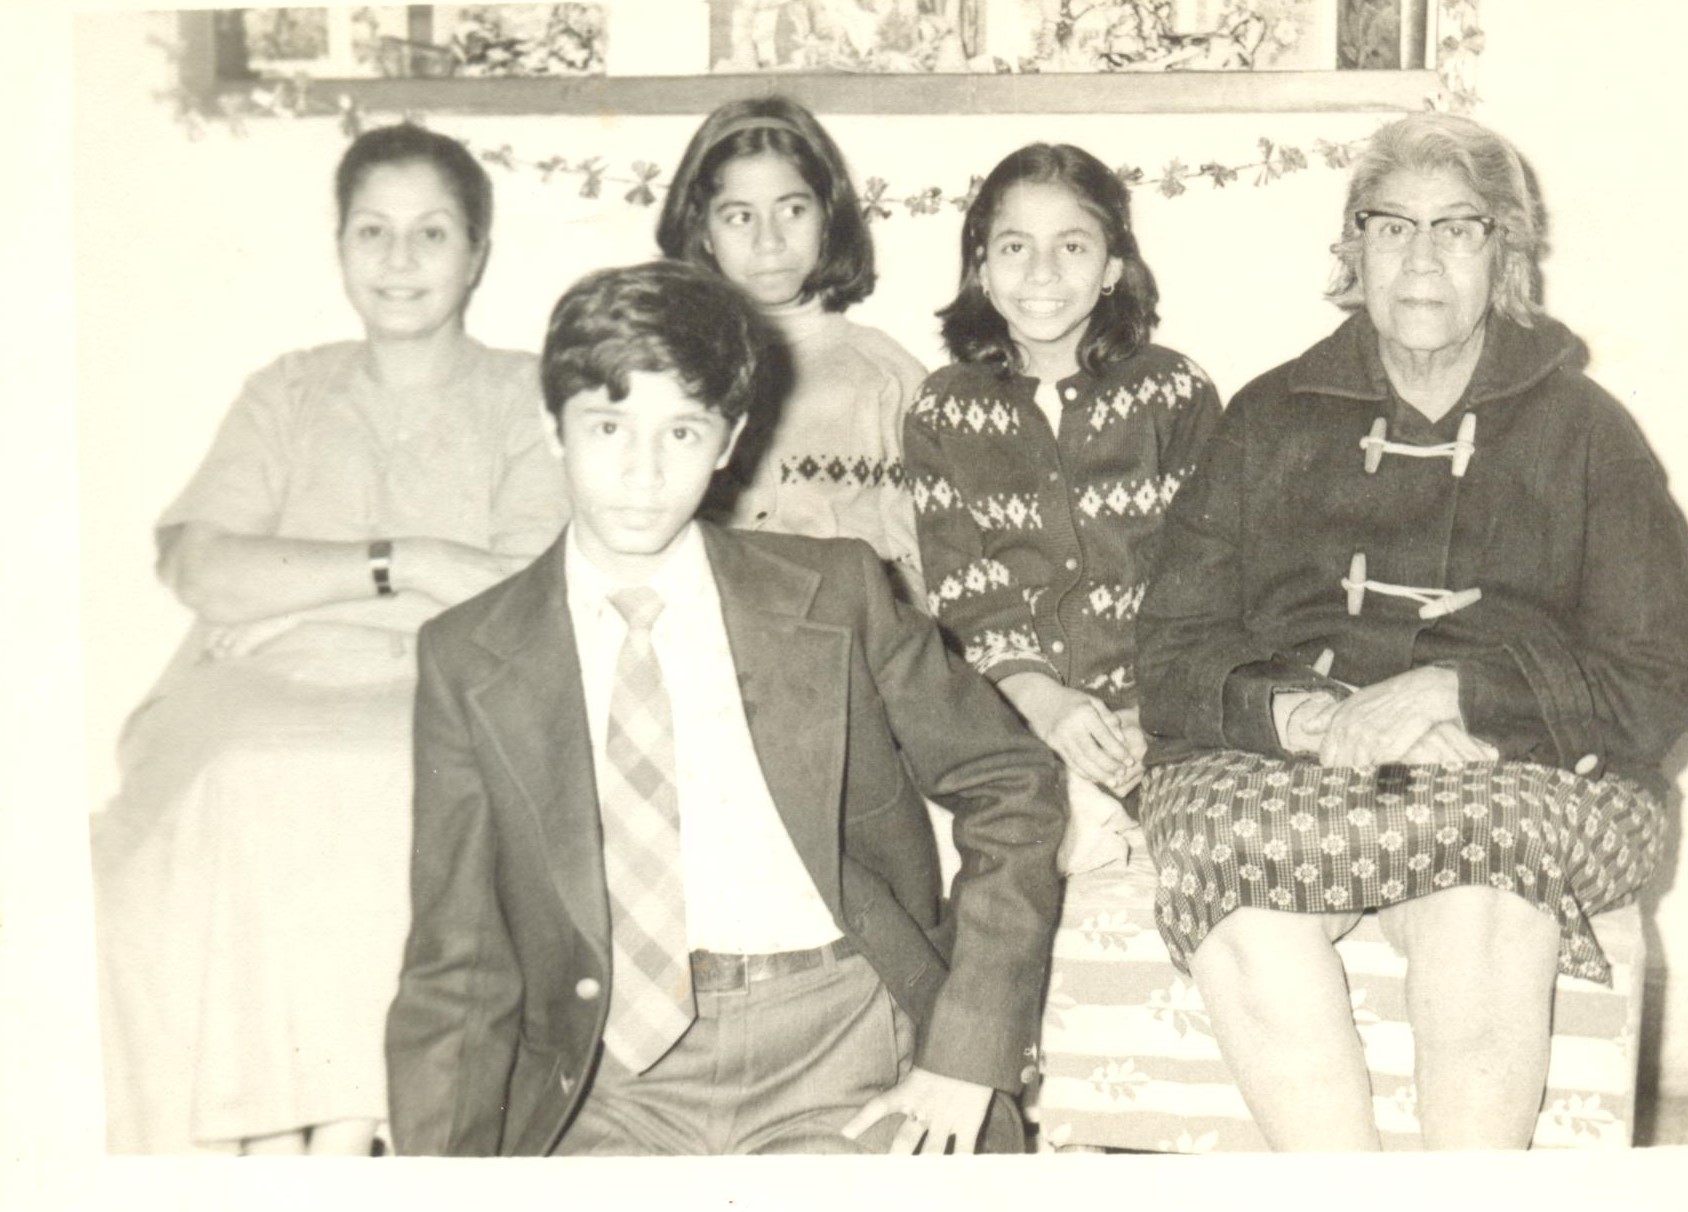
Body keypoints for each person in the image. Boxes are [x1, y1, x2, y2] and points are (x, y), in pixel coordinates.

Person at [384, 261, 1064, 1156]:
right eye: (607, 426)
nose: (642, 471)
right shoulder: (471, 655)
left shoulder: (835, 593)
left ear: (730, 439)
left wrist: (967, 1053)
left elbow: (1013, 786)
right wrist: (432, 1198)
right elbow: (457, 963)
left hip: (838, 1047)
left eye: (682, 431)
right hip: (607, 1080)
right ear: (553, 427)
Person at [1136, 112, 1688, 1151]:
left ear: (1504, 250)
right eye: (1392, 226)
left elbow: (1662, 673)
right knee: (1232, 882)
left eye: (1458, 227)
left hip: (1507, 760)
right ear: (1352, 248)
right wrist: (1309, 716)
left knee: (1485, 890)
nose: (1422, 258)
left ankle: (1461, 1211)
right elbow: (1171, 647)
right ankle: (1349, 1209)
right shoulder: (1265, 416)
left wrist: (1457, 694)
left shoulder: (1587, 431)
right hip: (1290, 756)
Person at [90, 123, 570, 1154]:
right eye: (372, 230)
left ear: (477, 253)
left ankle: (339, 1139)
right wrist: (402, 566)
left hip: (443, 682)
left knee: (383, 773)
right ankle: (246, 1149)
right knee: (235, 774)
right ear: (340, 244)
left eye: (431, 232)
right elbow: (203, 569)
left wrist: (308, 589)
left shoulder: (525, 395)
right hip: (262, 684)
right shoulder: (291, 388)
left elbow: (530, 590)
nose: (399, 258)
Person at [904, 142, 1223, 874]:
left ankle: (1099, 815)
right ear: (981, 267)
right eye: (1015, 247)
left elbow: (1203, 579)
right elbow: (963, 589)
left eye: (1072, 246)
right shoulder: (942, 408)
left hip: (1154, 717)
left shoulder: (1174, 392)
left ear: (1113, 267)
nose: (1041, 273)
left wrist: (1147, 717)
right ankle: (1057, 818)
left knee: (1215, 832)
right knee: (978, 818)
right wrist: (1042, 702)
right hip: (1009, 711)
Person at [656, 95, 927, 604]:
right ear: (703, 231)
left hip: (851, 628)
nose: (770, 241)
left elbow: (929, 558)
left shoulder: (886, 375)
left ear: (829, 217)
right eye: (740, 216)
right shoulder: (670, 370)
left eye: (793, 210)